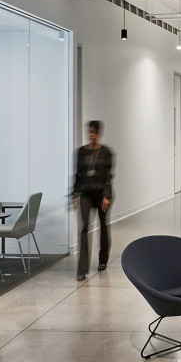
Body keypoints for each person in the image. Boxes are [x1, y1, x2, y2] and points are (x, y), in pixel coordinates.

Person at [73, 120, 115, 281]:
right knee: (84, 228)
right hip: (85, 194)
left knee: (103, 226)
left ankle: (102, 260)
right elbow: (77, 174)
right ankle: (82, 269)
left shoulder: (106, 152)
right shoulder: (81, 152)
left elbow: (108, 177)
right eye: (90, 131)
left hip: (101, 194)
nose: (92, 134)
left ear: (99, 133)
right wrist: (75, 193)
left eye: (95, 132)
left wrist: (107, 196)